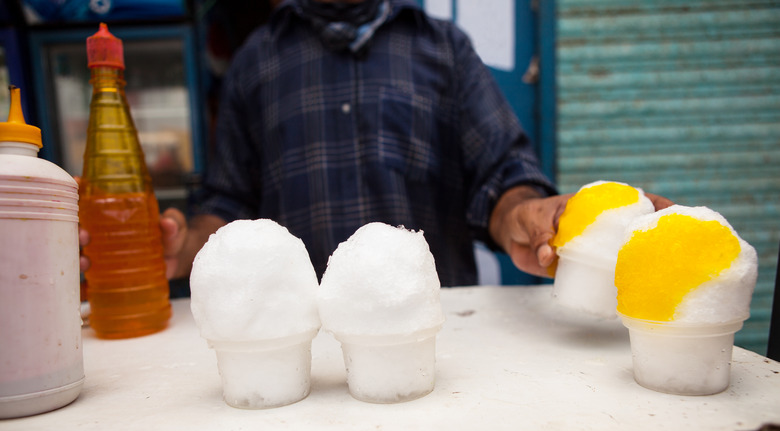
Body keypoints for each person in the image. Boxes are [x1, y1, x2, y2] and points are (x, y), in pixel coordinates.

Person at [80, 0, 672, 287]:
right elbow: (229, 202)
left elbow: (500, 172)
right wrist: (182, 248)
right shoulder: (256, 61)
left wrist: (529, 213)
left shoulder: (444, 48)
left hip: (437, 339)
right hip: (304, 351)